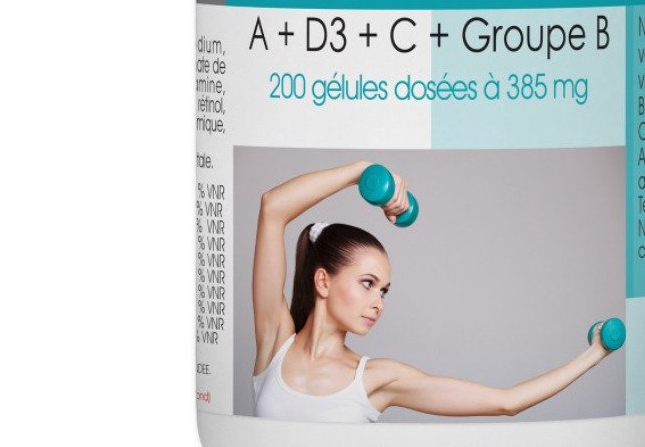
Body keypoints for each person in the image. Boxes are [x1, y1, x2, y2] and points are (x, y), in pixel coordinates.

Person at [252, 160, 615, 422]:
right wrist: (361, 173)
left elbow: (506, 402)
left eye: (384, 291)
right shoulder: (275, 342)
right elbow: (272, 208)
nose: (378, 303)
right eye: (368, 284)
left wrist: (594, 354)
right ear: (323, 281)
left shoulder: (378, 379)